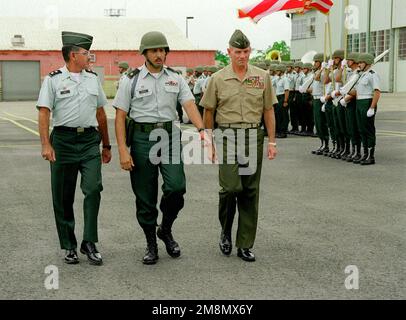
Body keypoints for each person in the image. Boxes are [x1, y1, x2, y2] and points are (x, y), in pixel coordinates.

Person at [113, 31, 205, 265]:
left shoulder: (175, 77)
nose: (159, 54)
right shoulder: (131, 79)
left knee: (176, 187)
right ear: (144, 53)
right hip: (143, 138)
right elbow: (120, 116)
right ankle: (151, 242)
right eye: (154, 50)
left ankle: (165, 228)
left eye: (162, 50)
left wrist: (203, 130)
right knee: (145, 195)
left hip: (169, 136)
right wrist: (122, 149)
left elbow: (189, 104)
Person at [200, 29, 278, 262]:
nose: (242, 56)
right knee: (231, 188)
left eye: (245, 51)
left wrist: (272, 141)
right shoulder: (218, 78)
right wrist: (208, 140)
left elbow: (268, 110)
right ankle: (225, 230)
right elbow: (209, 111)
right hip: (226, 136)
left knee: (250, 191)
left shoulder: (262, 77)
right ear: (229, 52)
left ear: (250, 51)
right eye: (237, 52)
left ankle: (244, 243)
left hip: (253, 136)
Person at [37, 31, 111, 265]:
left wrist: (106, 144)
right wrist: (46, 144)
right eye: (85, 53)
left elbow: (100, 114)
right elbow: (44, 112)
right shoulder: (53, 80)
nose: (89, 56)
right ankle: (68, 245)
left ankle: (89, 241)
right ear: (72, 55)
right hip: (63, 141)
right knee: (63, 196)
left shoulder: (92, 79)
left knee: (93, 188)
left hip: (89, 140)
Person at [351, 53, 380, 165]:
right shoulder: (361, 75)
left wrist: (372, 107)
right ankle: (365, 154)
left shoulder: (373, 75)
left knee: (368, 130)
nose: (359, 64)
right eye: (358, 63)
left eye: (361, 62)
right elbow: (357, 91)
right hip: (359, 102)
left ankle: (370, 156)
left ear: (367, 63)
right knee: (361, 129)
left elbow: (377, 92)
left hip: (367, 102)